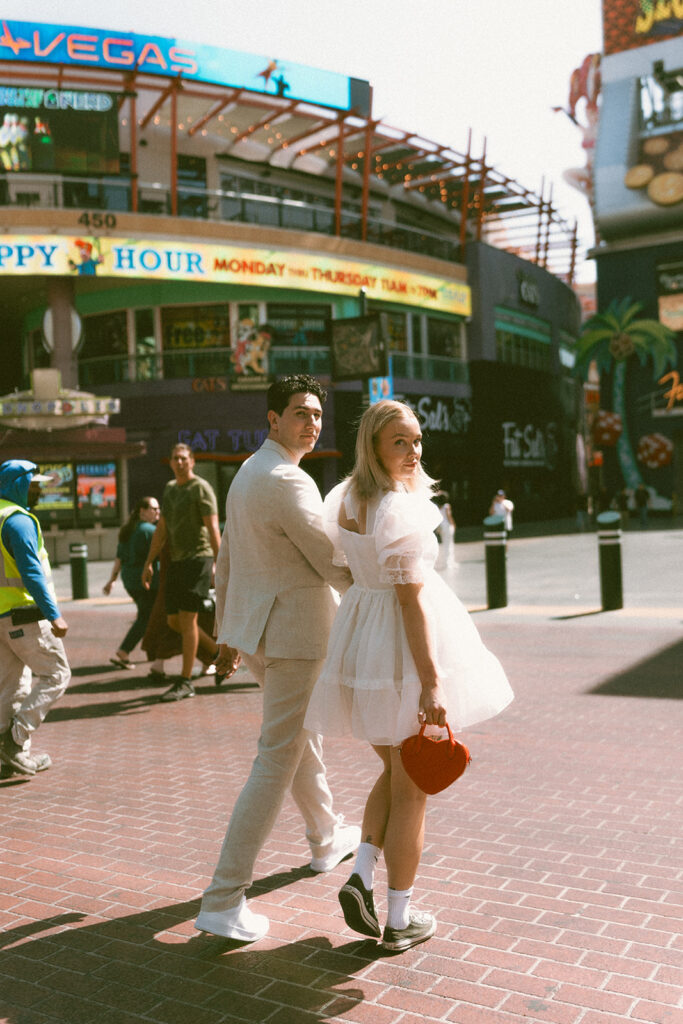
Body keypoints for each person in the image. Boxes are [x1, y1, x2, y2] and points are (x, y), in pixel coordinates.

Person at [304, 401, 514, 953]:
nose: (414, 451)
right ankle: (399, 920)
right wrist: (432, 682)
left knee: (398, 774)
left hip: (364, 642)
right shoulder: (400, 507)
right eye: (400, 442)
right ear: (374, 445)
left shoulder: (348, 498)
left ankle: (360, 875)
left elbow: (349, 570)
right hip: (400, 644)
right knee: (414, 790)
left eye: (417, 441)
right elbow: (411, 600)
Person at [195, 374, 359, 944]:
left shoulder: (247, 471)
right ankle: (222, 900)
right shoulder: (288, 481)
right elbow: (330, 563)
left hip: (263, 635)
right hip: (297, 636)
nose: (311, 423)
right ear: (272, 419)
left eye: (316, 414)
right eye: (298, 413)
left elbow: (228, 561)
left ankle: (325, 838)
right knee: (277, 757)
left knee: (298, 743)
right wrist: (381, 576)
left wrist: (227, 636)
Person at [0, 461, 71, 778]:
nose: (40, 489)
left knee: (11, 685)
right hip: (25, 616)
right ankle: (15, 740)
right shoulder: (18, 522)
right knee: (57, 674)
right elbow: (30, 572)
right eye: (35, 484)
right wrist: (54, 614)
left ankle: (6, 758)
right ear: (19, 485)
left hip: (1, 619)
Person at [142, 444, 221, 701]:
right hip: (175, 562)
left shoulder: (201, 488)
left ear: (192, 461)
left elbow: (213, 529)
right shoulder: (169, 489)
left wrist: (220, 565)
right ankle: (217, 655)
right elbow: (162, 529)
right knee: (173, 621)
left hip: (198, 560)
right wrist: (149, 562)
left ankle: (185, 681)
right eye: (175, 458)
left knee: (187, 622)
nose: (179, 462)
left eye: (184, 458)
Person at [103, 496, 165, 674]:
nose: (157, 513)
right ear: (142, 511)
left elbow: (119, 558)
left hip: (130, 581)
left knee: (148, 614)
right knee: (147, 617)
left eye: (158, 509)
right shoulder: (149, 530)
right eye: (154, 509)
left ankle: (151, 652)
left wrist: (112, 580)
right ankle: (124, 651)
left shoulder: (128, 530)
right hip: (147, 582)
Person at [433, 490, 455, 571]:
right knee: (449, 544)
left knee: (444, 544)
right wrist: (453, 524)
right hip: (447, 526)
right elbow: (449, 517)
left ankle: (447, 562)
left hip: (441, 527)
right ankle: (449, 563)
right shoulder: (447, 506)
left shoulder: (436, 506)